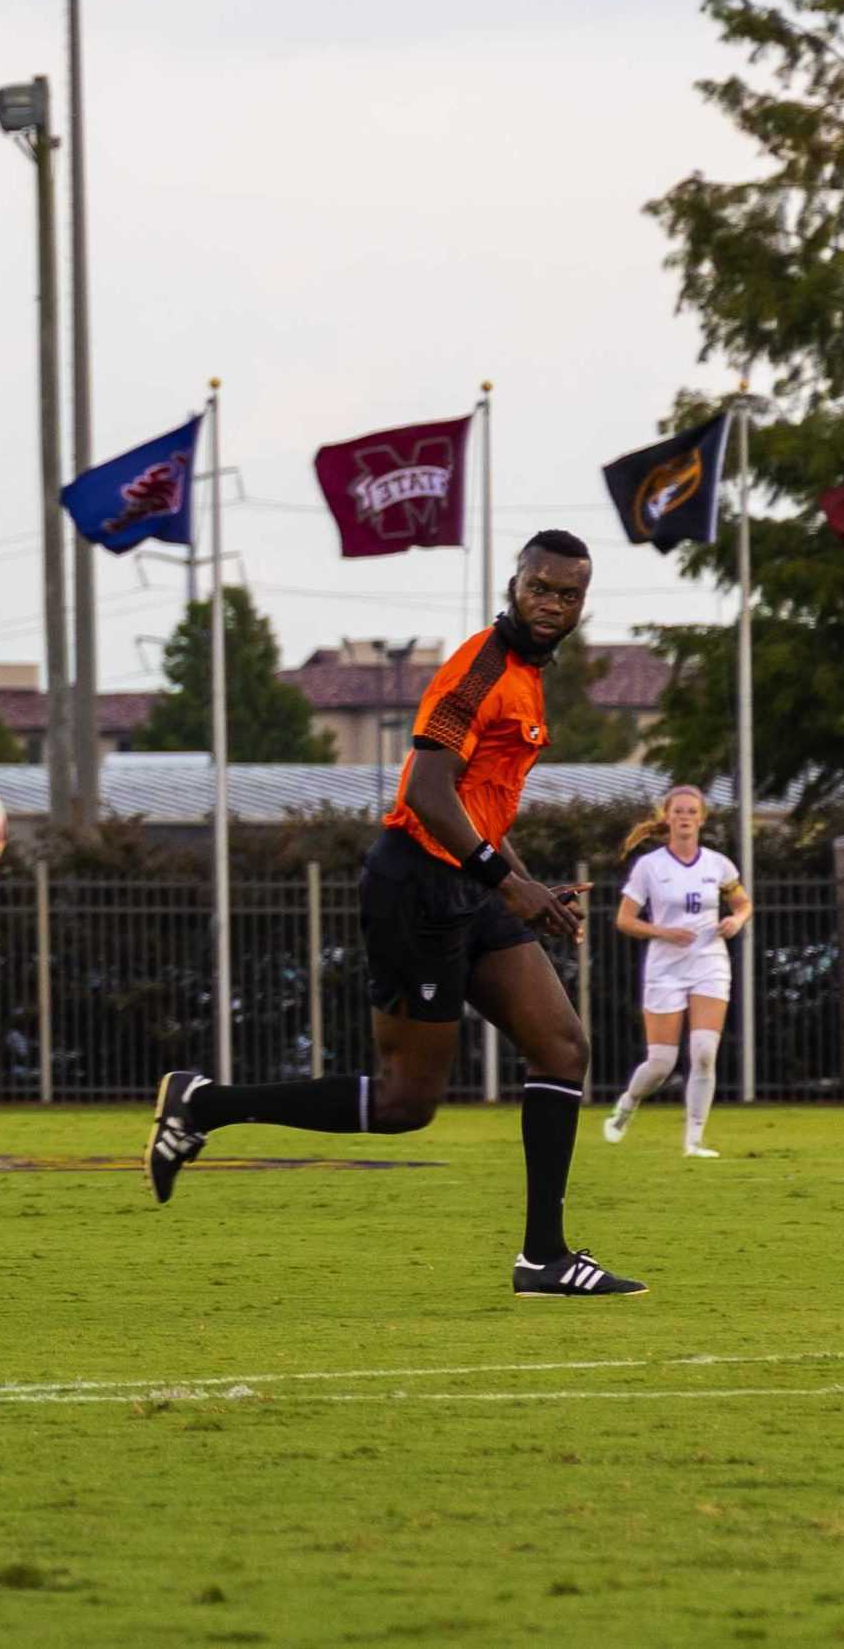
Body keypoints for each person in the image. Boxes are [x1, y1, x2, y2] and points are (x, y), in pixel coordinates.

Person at [145, 531, 648, 1298]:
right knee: (404, 1104)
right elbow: (426, 792)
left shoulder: (528, 675)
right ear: (514, 582)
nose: (550, 603)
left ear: (582, 602)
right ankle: (204, 1102)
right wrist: (504, 883)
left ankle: (543, 1258)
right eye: (539, 587)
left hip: (469, 883)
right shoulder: (478, 669)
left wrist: (524, 883)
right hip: (415, 886)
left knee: (562, 1046)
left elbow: (477, 807)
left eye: (567, 594)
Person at [601, 785, 751, 1158]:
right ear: (667, 817)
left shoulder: (718, 865)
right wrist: (663, 931)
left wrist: (737, 920)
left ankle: (694, 1140)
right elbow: (624, 920)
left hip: (709, 963)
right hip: (665, 968)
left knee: (703, 1051)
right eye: (678, 811)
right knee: (661, 1063)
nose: (684, 817)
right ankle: (628, 1104)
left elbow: (743, 903)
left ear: (701, 819)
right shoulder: (650, 867)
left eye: (691, 811)